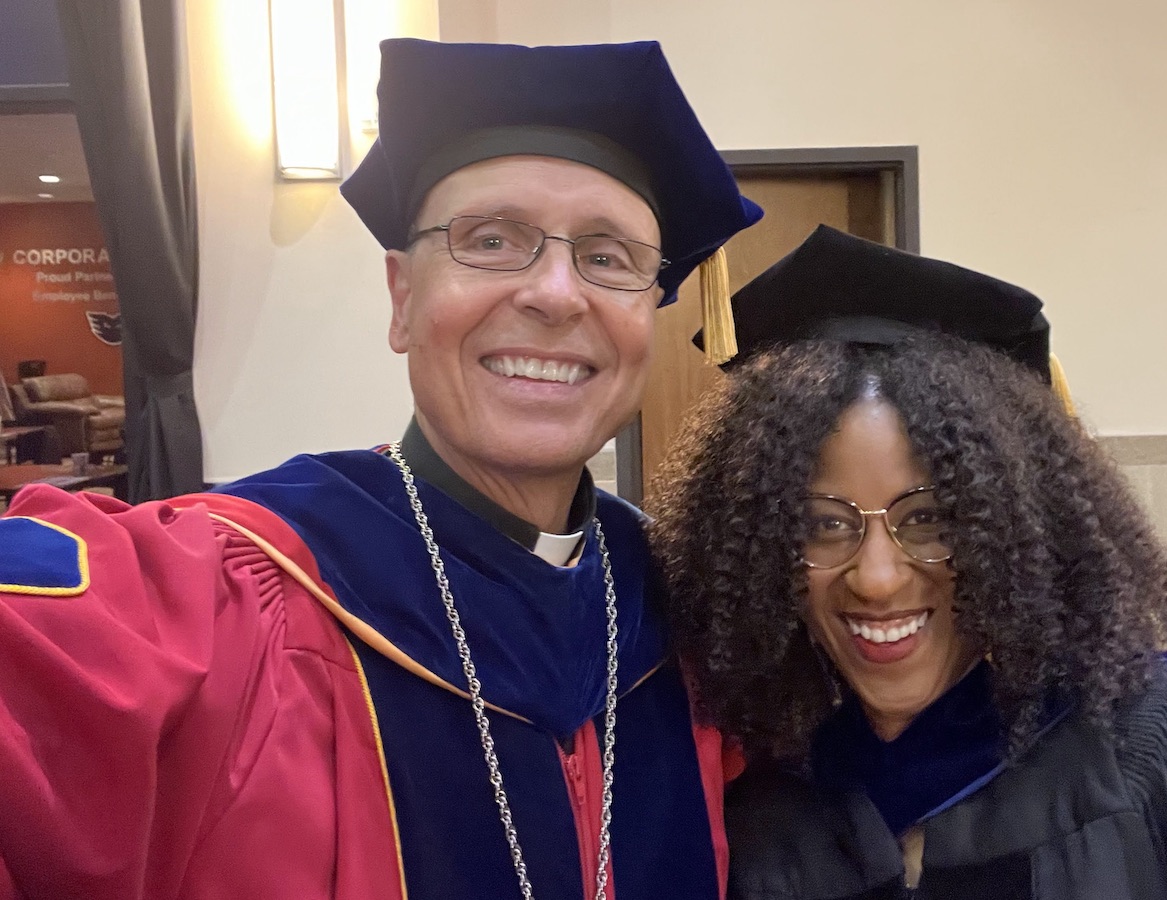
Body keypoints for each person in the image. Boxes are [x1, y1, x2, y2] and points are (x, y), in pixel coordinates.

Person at [0, 40, 762, 900]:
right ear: (402, 300)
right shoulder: (227, 593)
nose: (556, 293)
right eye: (492, 239)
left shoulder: (690, 612)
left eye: (609, 256)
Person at [649, 225, 1167, 899]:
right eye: (821, 525)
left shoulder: (1165, 751)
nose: (876, 577)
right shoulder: (771, 806)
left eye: (931, 518)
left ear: (1010, 526)